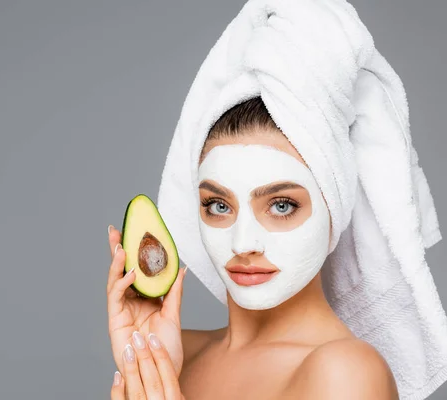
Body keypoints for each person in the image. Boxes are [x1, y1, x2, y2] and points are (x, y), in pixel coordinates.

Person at [106, 96, 400, 399]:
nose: (242, 244)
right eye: (219, 205)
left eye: (282, 205)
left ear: (334, 211)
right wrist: (147, 369)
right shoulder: (171, 354)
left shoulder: (346, 373)